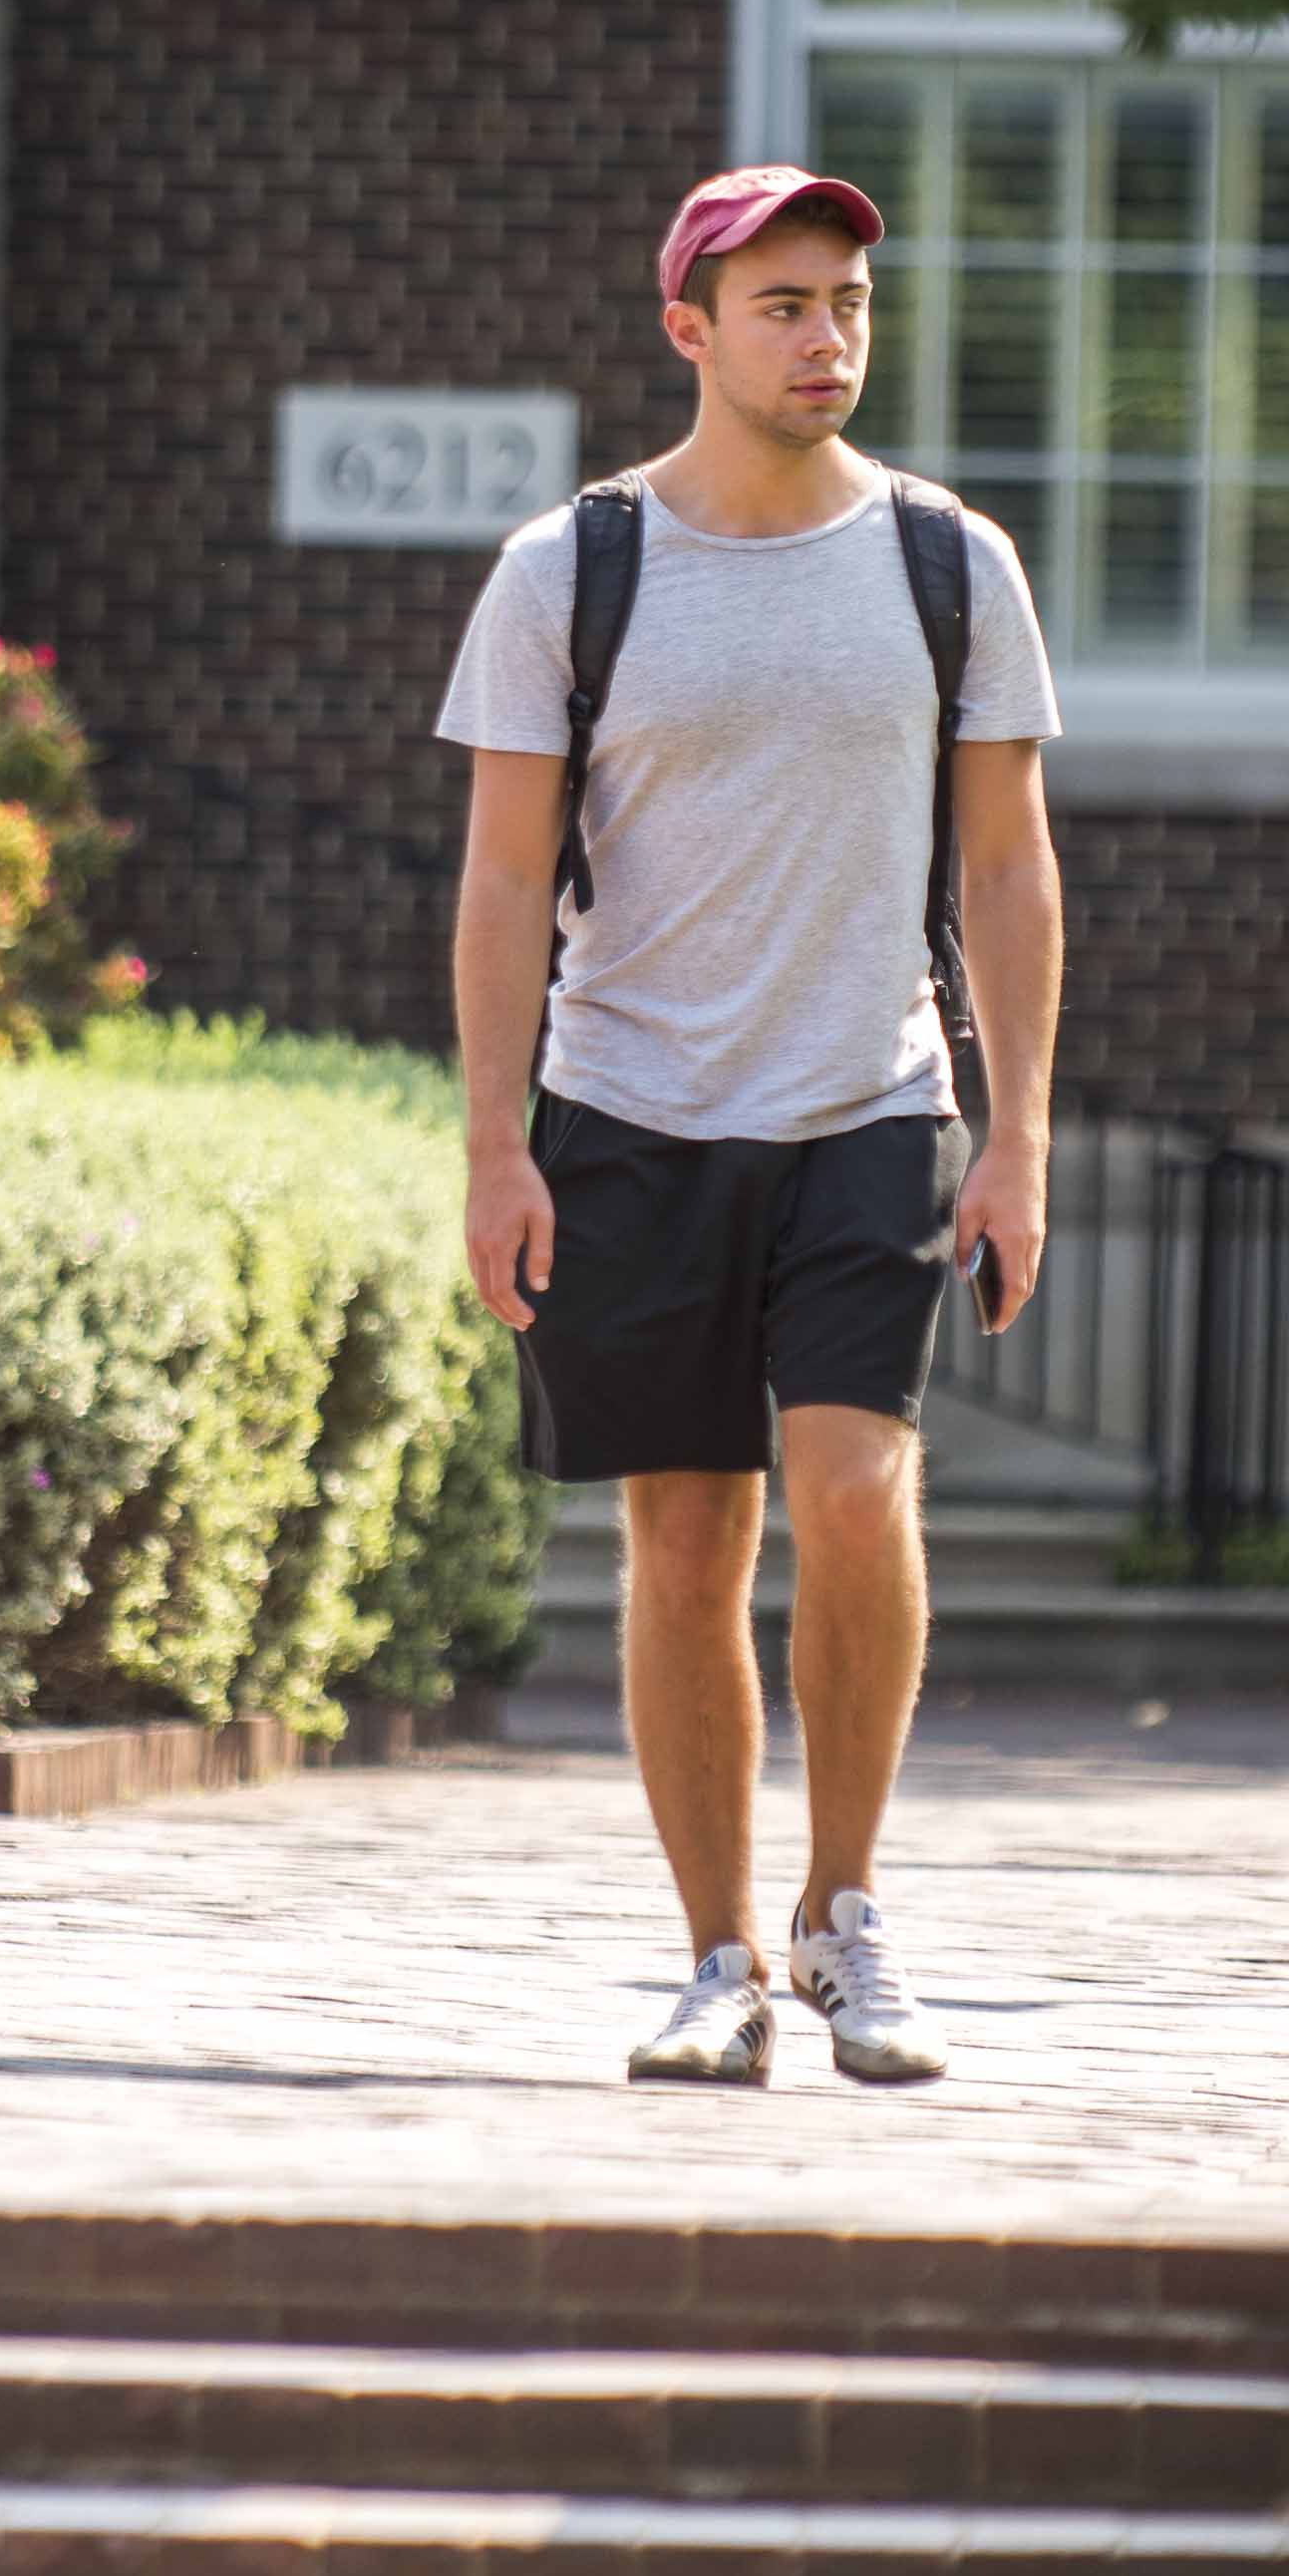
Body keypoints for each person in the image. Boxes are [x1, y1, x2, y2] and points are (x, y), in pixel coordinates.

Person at [440, 165, 1066, 2090]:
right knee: (689, 1542)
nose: (827, 337)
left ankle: (845, 1915)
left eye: (849, 303)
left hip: (869, 1100)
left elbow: (1012, 863)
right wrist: (495, 1144)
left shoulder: (948, 561)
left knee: (860, 1494)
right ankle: (716, 1956)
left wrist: (1019, 1132)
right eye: (784, 303)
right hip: (631, 1107)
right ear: (690, 326)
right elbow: (499, 877)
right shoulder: (576, 566)